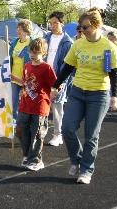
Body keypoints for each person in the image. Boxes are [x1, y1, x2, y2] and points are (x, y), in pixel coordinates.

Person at [51, 10, 117, 184]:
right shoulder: (78, 44)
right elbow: (67, 67)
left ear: (97, 25)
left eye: (85, 27)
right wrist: (55, 85)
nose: (81, 30)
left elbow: (114, 72)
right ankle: (76, 159)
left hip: (99, 94)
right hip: (78, 92)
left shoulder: (108, 47)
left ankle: (86, 170)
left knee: (91, 135)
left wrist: (115, 96)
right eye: (80, 27)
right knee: (67, 128)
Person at [16, 38, 57, 171]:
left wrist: (53, 96)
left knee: (37, 133)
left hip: (39, 106)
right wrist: (13, 79)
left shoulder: (47, 68)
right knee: (21, 131)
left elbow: (55, 85)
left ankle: (36, 159)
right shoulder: (27, 65)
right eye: (31, 51)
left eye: (36, 52)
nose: (32, 54)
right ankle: (27, 155)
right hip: (25, 104)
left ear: (43, 53)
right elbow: (25, 82)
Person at [44, 11, 73, 147]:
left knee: (57, 107)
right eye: (51, 23)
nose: (53, 25)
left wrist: (61, 82)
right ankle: (40, 132)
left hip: (58, 79)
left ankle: (57, 135)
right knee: (42, 105)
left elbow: (67, 65)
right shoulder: (46, 37)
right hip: (43, 76)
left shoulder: (67, 42)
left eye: (55, 22)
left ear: (62, 23)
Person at [9, 19, 32, 123]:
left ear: (26, 30)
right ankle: (15, 123)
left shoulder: (32, 43)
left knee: (25, 102)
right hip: (14, 77)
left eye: (20, 29)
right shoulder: (14, 43)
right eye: (17, 28)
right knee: (13, 102)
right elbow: (9, 58)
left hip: (26, 79)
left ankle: (25, 123)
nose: (18, 31)